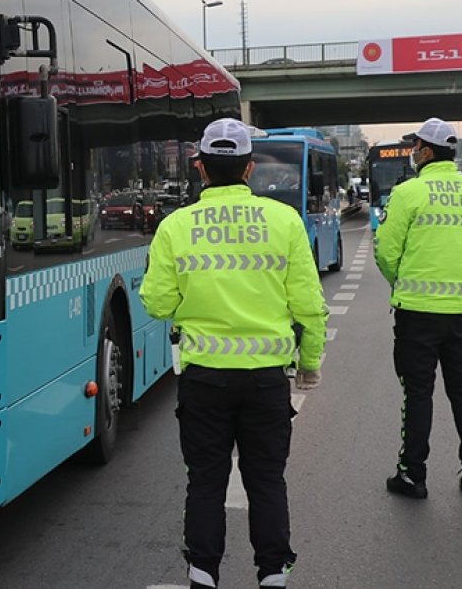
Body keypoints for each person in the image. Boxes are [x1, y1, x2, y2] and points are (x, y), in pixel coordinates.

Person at [140, 118, 328, 589]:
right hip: (267, 380)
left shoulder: (175, 226)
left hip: (204, 379)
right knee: (266, 481)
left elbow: (158, 302)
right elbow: (309, 305)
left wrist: (195, 301)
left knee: (205, 482)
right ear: (249, 169)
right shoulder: (284, 220)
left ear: (201, 168)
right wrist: (309, 363)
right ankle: (272, 576)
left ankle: (203, 575)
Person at [374, 117, 462, 501]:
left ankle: (413, 475)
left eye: (415, 147)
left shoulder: (409, 193)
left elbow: (386, 252)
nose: (413, 152)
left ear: (426, 151)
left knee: (418, 394)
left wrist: (402, 281)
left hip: (417, 315)